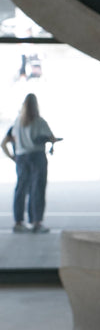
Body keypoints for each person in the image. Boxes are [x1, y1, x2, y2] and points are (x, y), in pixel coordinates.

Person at [1, 93, 59, 233]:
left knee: (21, 189)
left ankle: (18, 222)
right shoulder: (40, 122)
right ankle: (36, 222)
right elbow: (51, 137)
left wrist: (13, 157)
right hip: (37, 156)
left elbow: (4, 143)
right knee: (37, 189)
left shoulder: (17, 123)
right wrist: (52, 142)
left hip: (21, 158)